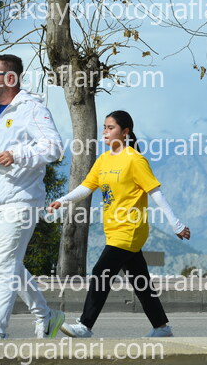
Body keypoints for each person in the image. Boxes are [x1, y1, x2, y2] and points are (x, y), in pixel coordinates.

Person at [50, 110, 190, 338]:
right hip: (113, 229)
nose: (105, 132)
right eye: (104, 127)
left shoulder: (135, 160)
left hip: (130, 229)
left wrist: (176, 224)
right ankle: (161, 327)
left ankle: (85, 325)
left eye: (110, 128)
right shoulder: (104, 159)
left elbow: (155, 193)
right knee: (139, 279)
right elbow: (87, 187)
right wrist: (62, 201)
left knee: (101, 272)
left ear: (125, 132)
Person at [0, 54, 65, 339]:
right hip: (0, 199)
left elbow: (54, 147)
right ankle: (46, 316)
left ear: (10, 78)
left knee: (4, 265)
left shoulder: (31, 109)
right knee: (9, 263)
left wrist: (17, 154)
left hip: (22, 199)